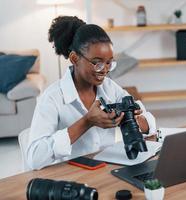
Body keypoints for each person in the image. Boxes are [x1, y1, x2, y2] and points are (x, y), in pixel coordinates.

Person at [26, 16, 156, 170]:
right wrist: (86, 122)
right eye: (97, 63)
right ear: (74, 58)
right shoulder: (52, 98)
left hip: (104, 172)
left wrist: (132, 119)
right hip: (68, 178)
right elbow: (34, 158)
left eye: (109, 63)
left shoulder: (109, 87)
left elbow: (150, 123)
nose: (105, 71)